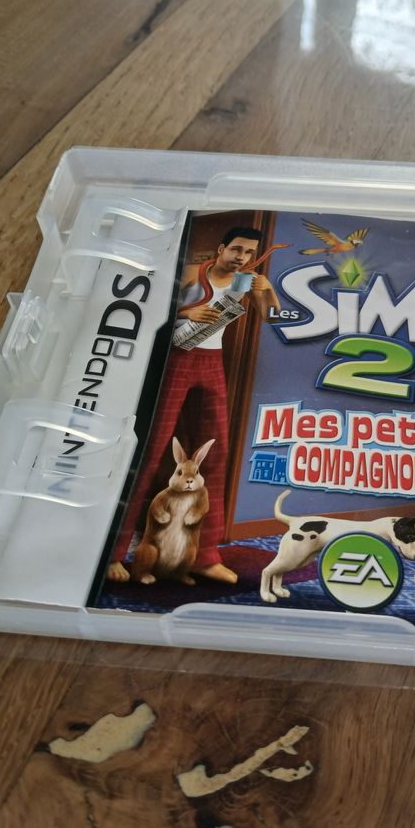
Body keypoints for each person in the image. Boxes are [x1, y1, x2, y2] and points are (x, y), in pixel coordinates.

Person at [108, 226, 280, 583]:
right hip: (177, 359)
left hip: (212, 363)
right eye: (237, 250)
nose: (242, 258)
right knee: (152, 451)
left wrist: (268, 290)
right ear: (221, 248)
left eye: (249, 253)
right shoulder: (190, 273)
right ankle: (114, 553)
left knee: (215, 456)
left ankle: (204, 556)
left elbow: (273, 318)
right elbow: (145, 308)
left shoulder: (245, 281)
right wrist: (187, 313)